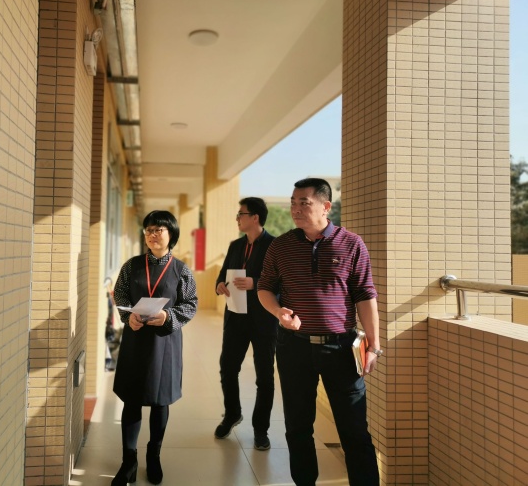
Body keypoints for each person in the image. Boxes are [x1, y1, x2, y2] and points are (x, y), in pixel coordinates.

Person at [257, 178, 381, 486]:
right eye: (293, 203)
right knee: (297, 427)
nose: (296, 209)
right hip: (294, 347)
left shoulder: (351, 243)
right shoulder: (281, 245)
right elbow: (264, 288)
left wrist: (374, 346)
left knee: (354, 430)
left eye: (304, 203)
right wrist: (278, 312)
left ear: (325, 206)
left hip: (342, 348)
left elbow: (365, 296)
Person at [111, 210, 198, 485]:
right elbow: (120, 294)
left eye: (158, 229)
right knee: (132, 399)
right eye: (149, 229)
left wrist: (168, 316)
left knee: (161, 399)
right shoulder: (132, 266)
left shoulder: (181, 270)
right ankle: (128, 461)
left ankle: (154, 456)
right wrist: (127, 316)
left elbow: (190, 304)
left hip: (165, 342)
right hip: (136, 338)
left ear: (171, 234)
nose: (152, 234)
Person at [213, 197, 277, 450]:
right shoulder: (235, 245)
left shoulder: (274, 246)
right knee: (228, 368)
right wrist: (219, 285)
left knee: (264, 377)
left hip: (264, 320)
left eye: (241, 214)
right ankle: (232, 414)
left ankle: (261, 429)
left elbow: (282, 282)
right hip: (235, 317)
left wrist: (256, 283)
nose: (238, 218)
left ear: (255, 217)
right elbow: (223, 275)